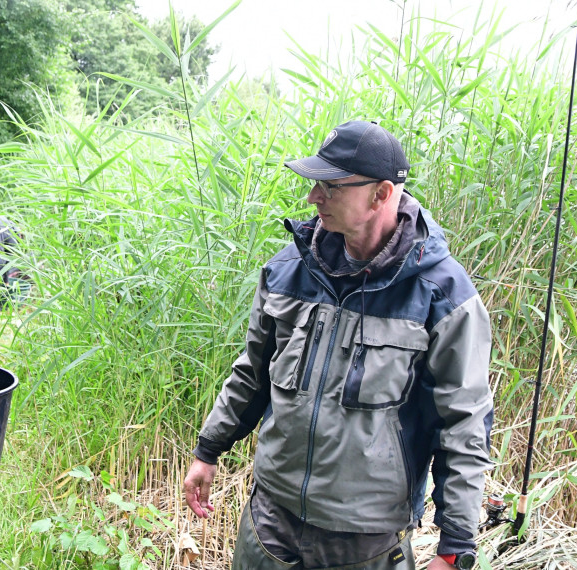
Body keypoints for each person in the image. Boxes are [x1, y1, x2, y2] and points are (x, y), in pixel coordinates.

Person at [183, 121, 494, 570]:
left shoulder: (443, 296)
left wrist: (455, 546)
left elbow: (464, 424)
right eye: (314, 184)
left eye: (330, 186)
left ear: (381, 194)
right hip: (269, 519)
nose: (313, 198)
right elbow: (252, 370)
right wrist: (208, 450)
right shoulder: (290, 268)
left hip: (363, 541)